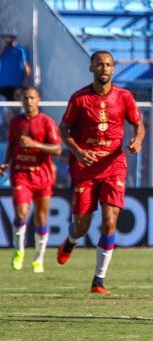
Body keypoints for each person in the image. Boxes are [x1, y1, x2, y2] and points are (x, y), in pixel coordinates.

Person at [56, 51, 145, 294]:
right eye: (99, 65)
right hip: (86, 167)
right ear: (91, 69)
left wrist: (137, 140)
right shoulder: (80, 99)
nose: (103, 68)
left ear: (113, 69)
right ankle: (71, 240)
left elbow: (138, 124)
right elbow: (64, 128)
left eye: (107, 65)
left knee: (109, 220)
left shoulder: (124, 97)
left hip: (114, 166)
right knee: (82, 225)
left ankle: (98, 280)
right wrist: (77, 151)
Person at [0, 86, 61, 272]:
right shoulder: (15, 123)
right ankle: (19, 251)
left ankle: (39, 258)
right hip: (21, 174)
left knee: (41, 219)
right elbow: (11, 144)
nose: (28, 101)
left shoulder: (47, 122)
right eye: (25, 98)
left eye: (32, 98)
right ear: (21, 101)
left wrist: (34, 144)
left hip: (42, 175)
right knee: (21, 213)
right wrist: (6, 163)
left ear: (38, 100)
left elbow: (57, 149)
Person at [0, 35, 32, 101]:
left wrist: (26, 82)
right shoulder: (2, 50)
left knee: (16, 106)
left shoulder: (21, 49)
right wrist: (5, 46)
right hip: (2, 86)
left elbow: (26, 65)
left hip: (17, 86)